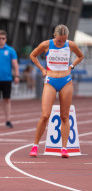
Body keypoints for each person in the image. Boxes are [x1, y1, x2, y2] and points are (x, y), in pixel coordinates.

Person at [29, 24, 84, 158]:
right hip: (51, 81)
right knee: (45, 115)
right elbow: (33, 55)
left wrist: (71, 66)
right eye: (59, 40)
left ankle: (64, 148)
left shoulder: (70, 45)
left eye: (64, 40)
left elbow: (80, 56)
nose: (62, 42)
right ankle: (35, 145)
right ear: (54, 36)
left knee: (64, 116)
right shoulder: (46, 44)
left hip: (66, 81)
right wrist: (42, 69)